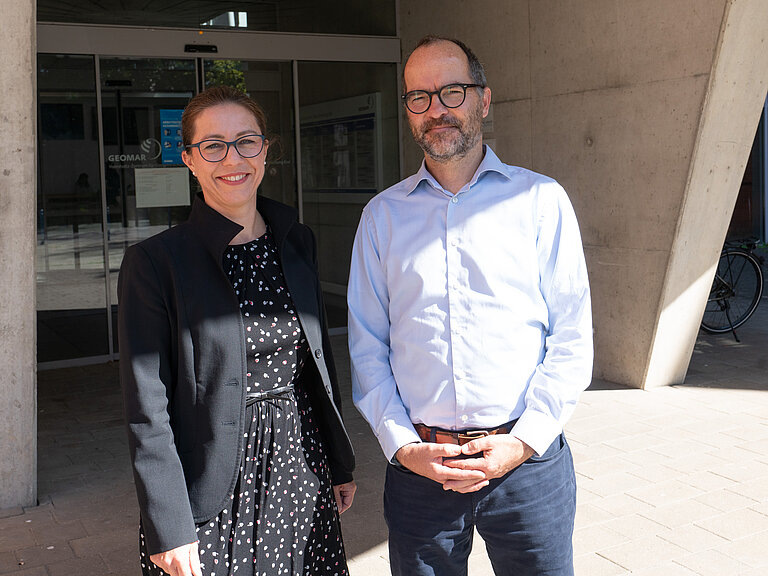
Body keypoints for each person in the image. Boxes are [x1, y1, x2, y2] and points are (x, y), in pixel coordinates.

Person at [347, 35, 592, 576]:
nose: (437, 109)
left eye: (452, 91)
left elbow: (572, 338)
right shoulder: (382, 218)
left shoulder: (540, 201)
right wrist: (404, 449)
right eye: (420, 96)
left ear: (484, 99)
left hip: (526, 465)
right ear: (408, 111)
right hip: (421, 471)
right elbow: (367, 347)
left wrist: (522, 443)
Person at [119, 85, 356, 576]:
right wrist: (168, 524)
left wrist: (337, 461)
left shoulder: (295, 239)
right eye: (213, 145)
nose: (233, 158)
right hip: (211, 482)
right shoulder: (156, 262)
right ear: (189, 159)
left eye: (246, 141)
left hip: (301, 462)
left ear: (265, 151)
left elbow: (316, 362)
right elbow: (147, 411)